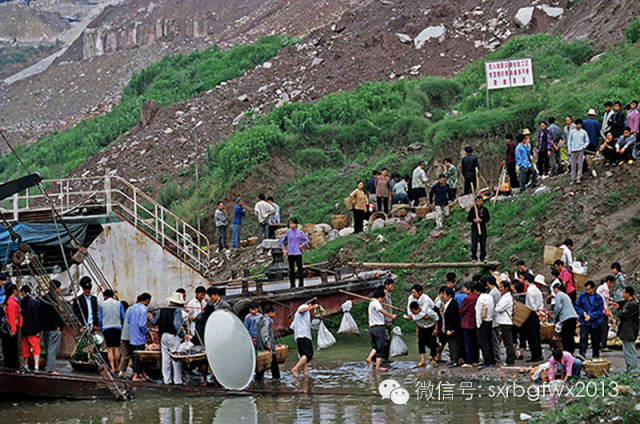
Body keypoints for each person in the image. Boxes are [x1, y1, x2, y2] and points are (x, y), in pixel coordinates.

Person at [150, 292, 186, 385]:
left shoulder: (161, 310)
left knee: (165, 359)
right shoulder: (177, 310)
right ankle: (177, 380)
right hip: (173, 336)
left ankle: (167, 380)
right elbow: (176, 324)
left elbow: (154, 322)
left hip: (163, 336)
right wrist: (182, 334)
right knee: (176, 358)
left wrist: (150, 317)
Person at [405, 284, 439, 368]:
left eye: (415, 292)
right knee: (421, 342)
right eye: (412, 292)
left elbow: (435, 317)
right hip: (421, 325)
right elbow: (410, 312)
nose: (413, 294)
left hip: (430, 324)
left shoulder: (426, 301)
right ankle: (422, 360)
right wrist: (415, 322)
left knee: (432, 342)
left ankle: (433, 358)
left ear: (420, 292)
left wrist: (436, 328)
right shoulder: (411, 299)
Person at [366, 287, 397, 371]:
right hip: (378, 328)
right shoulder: (376, 303)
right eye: (382, 299)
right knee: (381, 347)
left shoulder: (371, 303)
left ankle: (369, 358)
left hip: (372, 328)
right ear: (380, 297)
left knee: (376, 346)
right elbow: (381, 311)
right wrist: (391, 316)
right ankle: (377, 367)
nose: (382, 301)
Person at [290, 299, 320, 378]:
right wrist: (313, 307)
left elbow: (292, 326)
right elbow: (301, 310)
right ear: (310, 304)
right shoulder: (304, 306)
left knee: (304, 356)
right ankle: (295, 368)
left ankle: (305, 373)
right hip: (303, 335)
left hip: (300, 335)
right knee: (308, 355)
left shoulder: (300, 315)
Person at [39, 280, 63, 373]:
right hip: (53, 327)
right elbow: (56, 314)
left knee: (48, 348)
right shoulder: (54, 300)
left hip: (45, 327)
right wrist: (57, 325)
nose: (60, 289)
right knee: (53, 349)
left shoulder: (43, 298)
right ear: (56, 288)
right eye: (59, 287)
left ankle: (48, 366)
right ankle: (51, 369)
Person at [575, 281, 604, 359]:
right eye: (586, 289)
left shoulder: (598, 298)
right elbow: (577, 306)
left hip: (595, 322)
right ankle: (582, 354)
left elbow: (600, 311)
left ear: (593, 289)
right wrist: (583, 313)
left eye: (589, 289)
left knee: (595, 339)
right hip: (585, 321)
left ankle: (595, 355)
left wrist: (591, 316)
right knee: (583, 338)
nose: (587, 291)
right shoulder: (582, 296)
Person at [129, 292, 152, 382]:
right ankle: (136, 375)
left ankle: (141, 373)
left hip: (132, 335)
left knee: (134, 355)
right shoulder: (144, 309)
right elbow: (142, 324)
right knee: (140, 357)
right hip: (140, 337)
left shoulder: (131, 308)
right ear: (147, 300)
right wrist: (147, 331)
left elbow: (129, 321)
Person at [280, 217, 310, 288]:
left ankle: (301, 284)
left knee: (300, 269)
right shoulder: (288, 232)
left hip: (298, 253)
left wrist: (302, 245)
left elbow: (307, 240)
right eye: (290, 224)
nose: (291, 225)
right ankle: (292, 284)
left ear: (296, 224)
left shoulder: (300, 232)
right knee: (291, 270)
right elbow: (282, 241)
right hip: (290, 253)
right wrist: (284, 249)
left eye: (292, 223)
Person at [99, 289, 125, 371]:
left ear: (105, 296)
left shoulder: (102, 305)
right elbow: (123, 316)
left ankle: (112, 368)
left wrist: (101, 327)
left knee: (110, 349)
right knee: (117, 348)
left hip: (106, 328)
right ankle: (117, 367)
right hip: (117, 328)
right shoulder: (119, 303)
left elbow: (100, 319)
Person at [551, 282, 578, 354]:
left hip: (566, 317)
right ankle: (571, 351)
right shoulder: (565, 295)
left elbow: (558, 307)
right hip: (573, 316)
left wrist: (554, 316)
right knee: (571, 335)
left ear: (556, 289)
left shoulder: (558, 295)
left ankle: (566, 352)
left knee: (565, 336)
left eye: (554, 290)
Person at [615, 286, 639, 372]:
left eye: (624, 292)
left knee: (630, 351)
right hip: (626, 331)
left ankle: (633, 369)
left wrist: (619, 311)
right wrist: (618, 307)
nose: (623, 294)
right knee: (626, 351)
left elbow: (623, 314)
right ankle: (629, 368)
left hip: (630, 330)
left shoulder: (633, 304)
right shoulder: (628, 303)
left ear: (628, 294)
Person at [256, 304, 280, 380]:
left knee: (263, 363)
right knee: (273, 363)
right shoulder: (266, 321)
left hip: (261, 344)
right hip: (266, 345)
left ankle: (258, 380)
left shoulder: (262, 319)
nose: (275, 315)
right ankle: (276, 379)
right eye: (274, 313)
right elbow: (264, 333)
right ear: (270, 312)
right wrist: (267, 344)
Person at [524, 274, 545, 362]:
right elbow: (541, 302)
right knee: (536, 335)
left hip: (531, 313)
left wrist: (535, 310)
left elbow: (531, 304)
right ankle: (539, 354)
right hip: (537, 312)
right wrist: (539, 311)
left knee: (531, 336)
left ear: (527, 281)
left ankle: (534, 356)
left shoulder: (529, 291)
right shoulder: (537, 290)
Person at [439, 287, 462, 367]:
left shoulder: (453, 304)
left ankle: (455, 360)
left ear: (449, 295)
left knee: (454, 344)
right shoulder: (448, 303)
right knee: (450, 344)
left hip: (453, 328)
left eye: (444, 294)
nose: (443, 296)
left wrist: (450, 329)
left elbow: (453, 318)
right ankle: (453, 359)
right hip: (448, 327)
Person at [19, 285, 40, 371]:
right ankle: (36, 366)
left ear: (23, 292)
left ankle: (26, 364)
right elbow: (36, 317)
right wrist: (38, 330)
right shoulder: (34, 302)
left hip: (23, 330)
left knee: (25, 349)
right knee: (36, 349)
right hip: (33, 330)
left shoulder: (20, 302)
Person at [495, 280, 516, 365]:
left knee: (508, 342)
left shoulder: (507, 298)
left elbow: (498, 309)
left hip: (506, 322)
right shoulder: (504, 296)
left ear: (506, 288)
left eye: (501, 287)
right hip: (504, 321)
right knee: (507, 341)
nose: (500, 289)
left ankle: (510, 359)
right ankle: (510, 358)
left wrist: (497, 306)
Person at [475, 282, 495, 369]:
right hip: (489, 320)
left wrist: (478, 325)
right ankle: (491, 359)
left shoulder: (480, 299)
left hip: (483, 323)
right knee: (489, 341)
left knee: (484, 343)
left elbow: (478, 313)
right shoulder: (489, 296)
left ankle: (487, 361)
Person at [1, 283, 21, 369]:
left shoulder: (7, 300)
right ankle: (12, 365)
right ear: (14, 291)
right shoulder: (11, 302)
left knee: (8, 347)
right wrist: (13, 330)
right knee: (12, 347)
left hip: (8, 326)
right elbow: (12, 317)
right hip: (12, 327)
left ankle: (9, 364)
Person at [459, 282, 478, 368]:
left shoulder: (468, 298)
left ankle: (469, 361)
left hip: (467, 322)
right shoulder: (477, 297)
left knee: (468, 342)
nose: (464, 290)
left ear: (469, 289)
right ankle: (475, 360)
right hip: (475, 322)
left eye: (465, 288)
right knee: (475, 342)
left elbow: (461, 310)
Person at [467, 196, 490, 262]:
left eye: (480, 201)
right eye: (478, 201)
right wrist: (474, 220)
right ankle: (474, 257)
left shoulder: (484, 209)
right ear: (475, 202)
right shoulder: (473, 209)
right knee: (474, 243)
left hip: (482, 227)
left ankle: (483, 257)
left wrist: (481, 220)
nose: (479, 203)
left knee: (483, 243)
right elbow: (469, 218)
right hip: (474, 227)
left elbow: (487, 218)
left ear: (482, 201)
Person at [568, 118, 590, 184]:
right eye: (577, 124)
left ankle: (579, 178)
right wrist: (569, 150)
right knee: (573, 165)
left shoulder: (583, 132)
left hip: (580, 149)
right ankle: (573, 178)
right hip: (573, 150)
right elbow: (569, 141)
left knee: (580, 164)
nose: (578, 126)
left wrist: (584, 146)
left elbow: (587, 140)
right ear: (575, 125)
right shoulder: (572, 132)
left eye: (580, 124)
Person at [118, 303, 134, 378]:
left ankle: (121, 371)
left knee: (125, 355)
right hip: (133, 337)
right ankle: (136, 372)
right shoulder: (137, 310)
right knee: (135, 355)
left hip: (124, 336)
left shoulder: (128, 311)